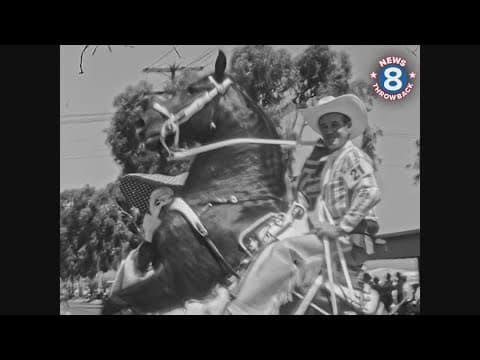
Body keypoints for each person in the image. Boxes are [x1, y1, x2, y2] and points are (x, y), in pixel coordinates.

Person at [227, 94, 381, 315]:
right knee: (267, 238)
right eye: (324, 126)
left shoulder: (352, 157)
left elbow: (370, 191)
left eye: (335, 125)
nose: (329, 131)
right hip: (337, 237)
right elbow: (305, 196)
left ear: (348, 127)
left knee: (283, 251)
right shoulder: (330, 162)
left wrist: (339, 227)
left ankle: (242, 311)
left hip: (349, 237)